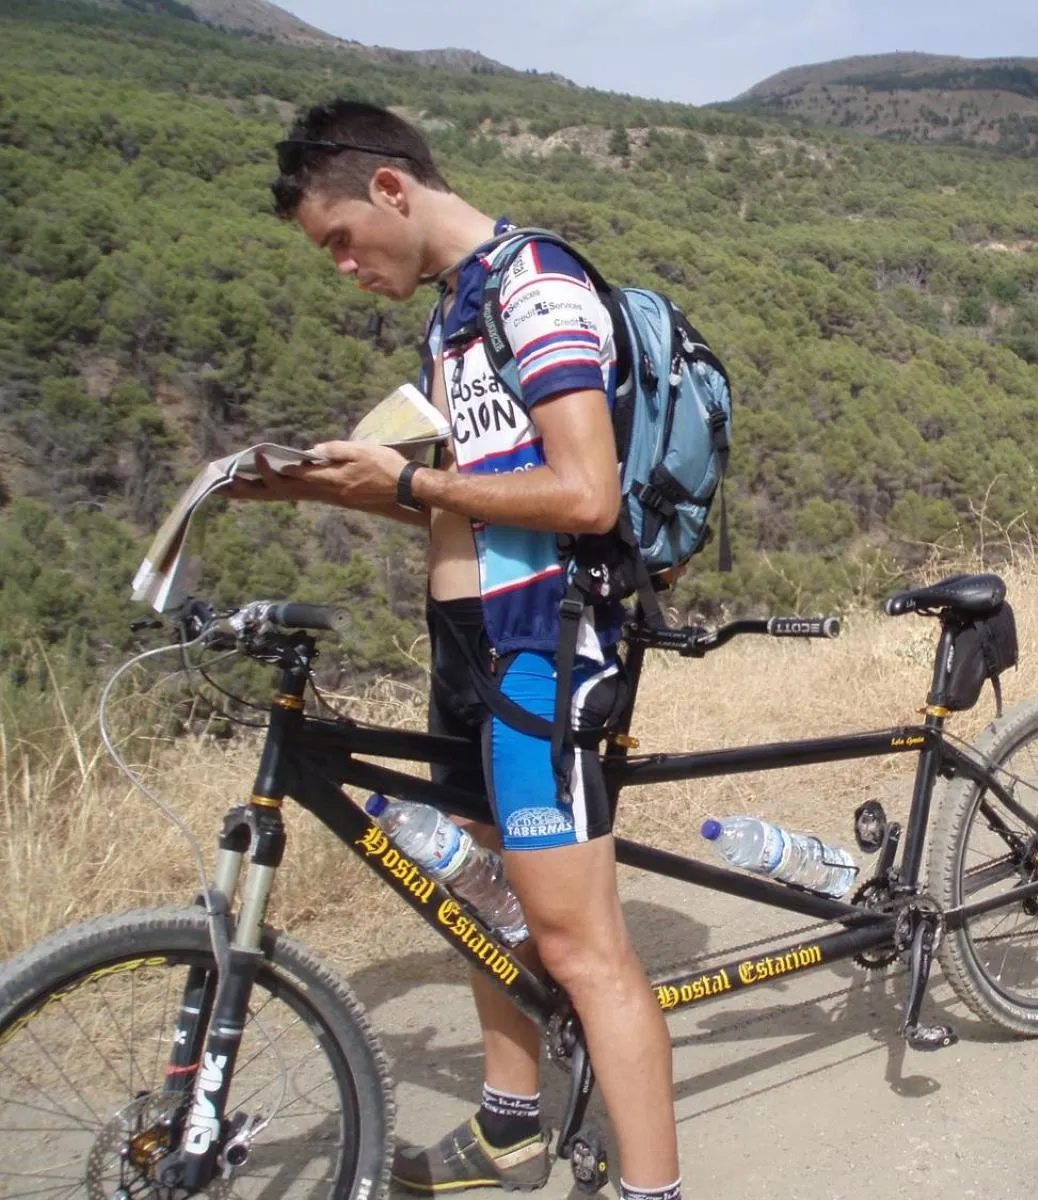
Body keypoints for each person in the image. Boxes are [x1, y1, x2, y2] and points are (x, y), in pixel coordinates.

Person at [235, 99, 681, 1199]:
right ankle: (508, 1127)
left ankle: (652, 1188)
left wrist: (407, 478)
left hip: (546, 646)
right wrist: (334, 488)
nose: (340, 266)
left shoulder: (534, 286)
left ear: (391, 189)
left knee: (581, 947)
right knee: (486, 901)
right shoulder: (454, 316)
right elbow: (462, 507)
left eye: (339, 239)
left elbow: (585, 492)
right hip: (466, 644)